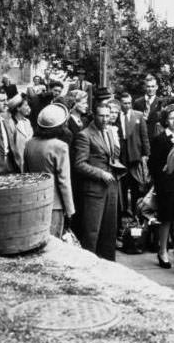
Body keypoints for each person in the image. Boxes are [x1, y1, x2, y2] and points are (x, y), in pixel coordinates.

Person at [73, 103, 120, 261]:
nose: (105, 119)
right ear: (94, 115)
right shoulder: (84, 135)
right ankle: (89, 266)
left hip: (111, 188)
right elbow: (79, 164)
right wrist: (100, 173)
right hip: (94, 190)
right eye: (102, 115)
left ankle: (108, 267)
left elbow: (110, 157)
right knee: (91, 232)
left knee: (109, 231)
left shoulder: (109, 132)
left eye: (108, 115)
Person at [23, 104, 75, 237]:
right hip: (54, 204)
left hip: (33, 201)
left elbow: (26, 175)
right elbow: (64, 181)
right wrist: (70, 209)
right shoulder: (60, 146)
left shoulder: (29, 143)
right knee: (53, 241)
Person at [147, 103, 174, 268]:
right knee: (166, 219)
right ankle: (162, 250)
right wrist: (161, 180)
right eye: (171, 118)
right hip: (166, 185)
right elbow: (153, 164)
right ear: (166, 120)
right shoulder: (160, 139)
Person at [116, 92, 150, 219]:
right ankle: (124, 210)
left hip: (135, 155)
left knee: (136, 185)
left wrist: (146, 154)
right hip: (121, 155)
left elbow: (144, 136)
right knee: (123, 184)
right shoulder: (115, 117)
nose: (128, 105)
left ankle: (137, 210)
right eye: (125, 103)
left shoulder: (138, 115)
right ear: (120, 104)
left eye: (129, 102)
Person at [7, 93, 33, 162]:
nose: (28, 108)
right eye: (26, 105)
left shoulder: (27, 121)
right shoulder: (10, 124)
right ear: (18, 108)